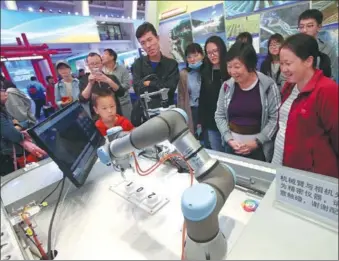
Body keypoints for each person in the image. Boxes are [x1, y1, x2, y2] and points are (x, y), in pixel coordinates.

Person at [272, 33, 338, 178]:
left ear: (308, 61)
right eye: (281, 63)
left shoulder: (326, 90)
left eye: (288, 64)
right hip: (282, 162)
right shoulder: (289, 88)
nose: (283, 69)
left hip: (311, 175)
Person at [215, 41, 280, 162]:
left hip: (259, 150)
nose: (232, 71)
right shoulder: (226, 86)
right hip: (232, 148)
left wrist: (257, 142)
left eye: (237, 66)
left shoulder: (268, 86)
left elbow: (274, 119)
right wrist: (229, 139)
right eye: (229, 66)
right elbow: (219, 115)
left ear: (250, 65)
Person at [131, 22, 179, 109]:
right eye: (143, 43)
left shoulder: (171, 64)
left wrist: (148, 83)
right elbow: (138, 90)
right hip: (146, 113)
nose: (148, 46)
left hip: (167, 112)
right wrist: (159, 85)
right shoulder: (138, 65)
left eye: (150, 40)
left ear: (157, 38)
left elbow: (170, 89)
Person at [0, 87, 47, 176]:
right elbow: (13, 134)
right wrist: (20, 127)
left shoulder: (3, 108)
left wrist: (17, 127)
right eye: (1, 90)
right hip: (7, 153)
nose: (4, 92)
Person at [198, 35, 230, 152]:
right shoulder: (205, 71)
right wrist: (201, 121)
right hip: (211, 123)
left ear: (221, 49)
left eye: (215, 51)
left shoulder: (230, 69)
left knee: (231, 155)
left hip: (229, 123)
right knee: (219, 155)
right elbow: (203, 97)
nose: (212, 55)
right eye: (209, 52)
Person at [79, 52, 125, 120]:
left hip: (116, 115)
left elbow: (121, 93)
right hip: (97, 118)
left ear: (101, 63)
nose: (95, 66)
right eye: (92, 64)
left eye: (97, 63)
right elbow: (82, 99)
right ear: (88, 65)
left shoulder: (111, 77)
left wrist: (108, 80)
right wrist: (90, 84)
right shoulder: (83, 80)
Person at [298, 9, 335, 79]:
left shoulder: (328, 48)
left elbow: (332, 76)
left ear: (319, 27)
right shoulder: (294, 47)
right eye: (301, 27)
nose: (304, 30)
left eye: (309, 26)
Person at [177, 43, 204, 136]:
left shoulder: (208, 71)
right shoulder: (184, 74)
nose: (192, 59)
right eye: (189, 57)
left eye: (196, 55)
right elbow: (181, 97)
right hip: (193, 110)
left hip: (207, 110)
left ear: (202, 55)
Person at [102, 48, 133, 120]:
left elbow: (127, 84)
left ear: (112, 57)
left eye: (104, 54)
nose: (102, 56)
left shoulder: (122, 69)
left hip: (124, 103)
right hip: (109, 106)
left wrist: (115, 87)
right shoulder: (102, 71)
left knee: (128, 124)